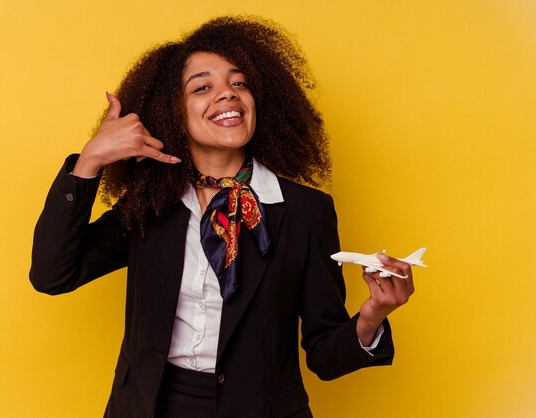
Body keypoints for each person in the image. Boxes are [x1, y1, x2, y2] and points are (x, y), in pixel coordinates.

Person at [30, 16, 415, 418]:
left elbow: (324, 357)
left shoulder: (305, 212)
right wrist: (89, 161)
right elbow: (52, 275)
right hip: (149, 407)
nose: (227, 96)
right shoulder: (150, 205)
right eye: (202, 87)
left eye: (239, 83)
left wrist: (374, 313)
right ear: (173, 111)